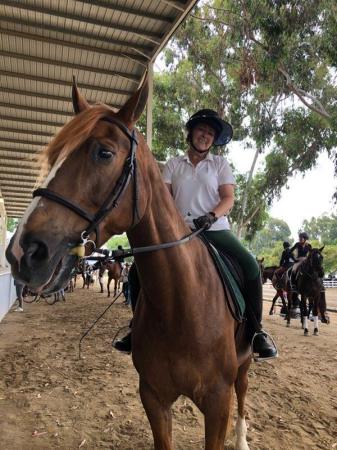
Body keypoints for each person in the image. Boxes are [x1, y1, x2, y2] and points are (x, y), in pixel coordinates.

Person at [114, 109, 277, 360]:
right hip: (180, 232)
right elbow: (164, 199)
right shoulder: (173, 165)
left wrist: (212, 215)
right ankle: (136, 327)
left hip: (214, 229)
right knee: (138, 269)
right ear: (191, 133)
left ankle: (257, 332)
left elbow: (228, 197)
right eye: (202, 130)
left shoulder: (220, 164)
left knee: (250, 266)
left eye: (211, 133)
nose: (205, 136)